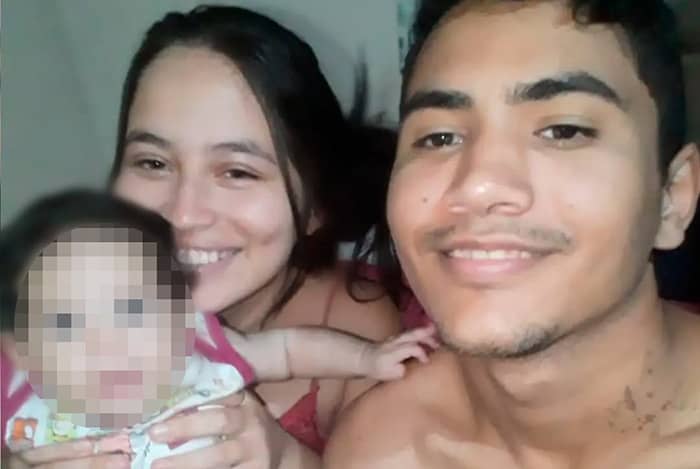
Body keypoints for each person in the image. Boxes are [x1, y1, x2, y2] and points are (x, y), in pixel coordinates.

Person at [7, 5, 403, 469]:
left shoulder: (357, 330)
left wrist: (288, 459)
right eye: (153, 163)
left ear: (317, 205)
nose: (182, 214)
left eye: (237, 171)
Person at [324, 0, 700, 468]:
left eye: (563, 130)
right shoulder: (381, 448)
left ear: (672, 198)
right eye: (439, 138)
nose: (478, 185)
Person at [0, 190, 436, 468]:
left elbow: (287, 350)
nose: (106, 343)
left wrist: (367, 357)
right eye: (64, 324)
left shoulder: (198, 354)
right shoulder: (28, 417)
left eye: (131, 309)